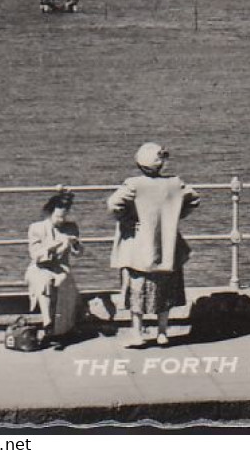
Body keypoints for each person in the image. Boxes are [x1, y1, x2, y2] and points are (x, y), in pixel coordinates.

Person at [107, 143, 199, 347]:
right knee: (165, 291)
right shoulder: (175, 183)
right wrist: (175, 215)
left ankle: (137, 334)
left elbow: (114, 204)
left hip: (139, 246)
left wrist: (128, 219)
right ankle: (162, 333)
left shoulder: (134, 184)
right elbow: (194, 199)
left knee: (137, 292)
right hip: (167, 245)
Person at [26, 191, 84, 346]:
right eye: (58, 216)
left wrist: (75, 244)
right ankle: (47, 322)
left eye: (64, 216)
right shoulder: (36, 228)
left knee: (61, 281)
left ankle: (58, 329)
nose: (62, 220)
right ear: (50, 213)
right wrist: (53, 245)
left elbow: (78, 254)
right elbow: (35, 255)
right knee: (44, 281)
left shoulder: (71, 228)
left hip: (60, 268)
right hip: (39, 267)